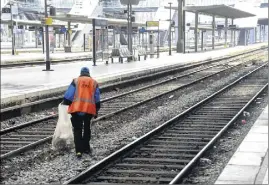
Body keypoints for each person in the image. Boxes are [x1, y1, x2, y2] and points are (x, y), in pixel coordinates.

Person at [62, 67, 100, 158]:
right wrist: (97, 109)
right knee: (87, 128)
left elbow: (69, 95)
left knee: (77, 129)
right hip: (89, 110)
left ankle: (78, 151)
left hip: (76, 109)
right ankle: (86, 148)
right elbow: (97, 97)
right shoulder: (94, 82)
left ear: (81, 73)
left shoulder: (75, 81)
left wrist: (66, 102)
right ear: (88, 73)